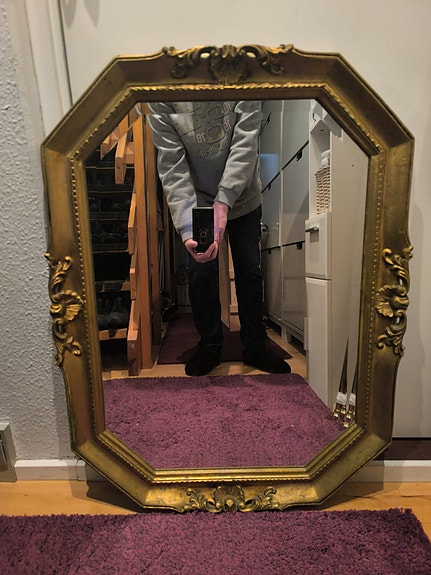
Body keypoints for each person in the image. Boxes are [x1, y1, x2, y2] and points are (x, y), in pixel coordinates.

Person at [148, 100, 291, 376]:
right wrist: (187, 227)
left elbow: (245, 142)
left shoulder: (240, 78)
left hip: (244, 195)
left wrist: (224, 199)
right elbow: (172, 166)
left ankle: (255, 345)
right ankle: (210, 346)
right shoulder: (161, 95)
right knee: (200, 273)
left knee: (249, 270)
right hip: (198, 201)